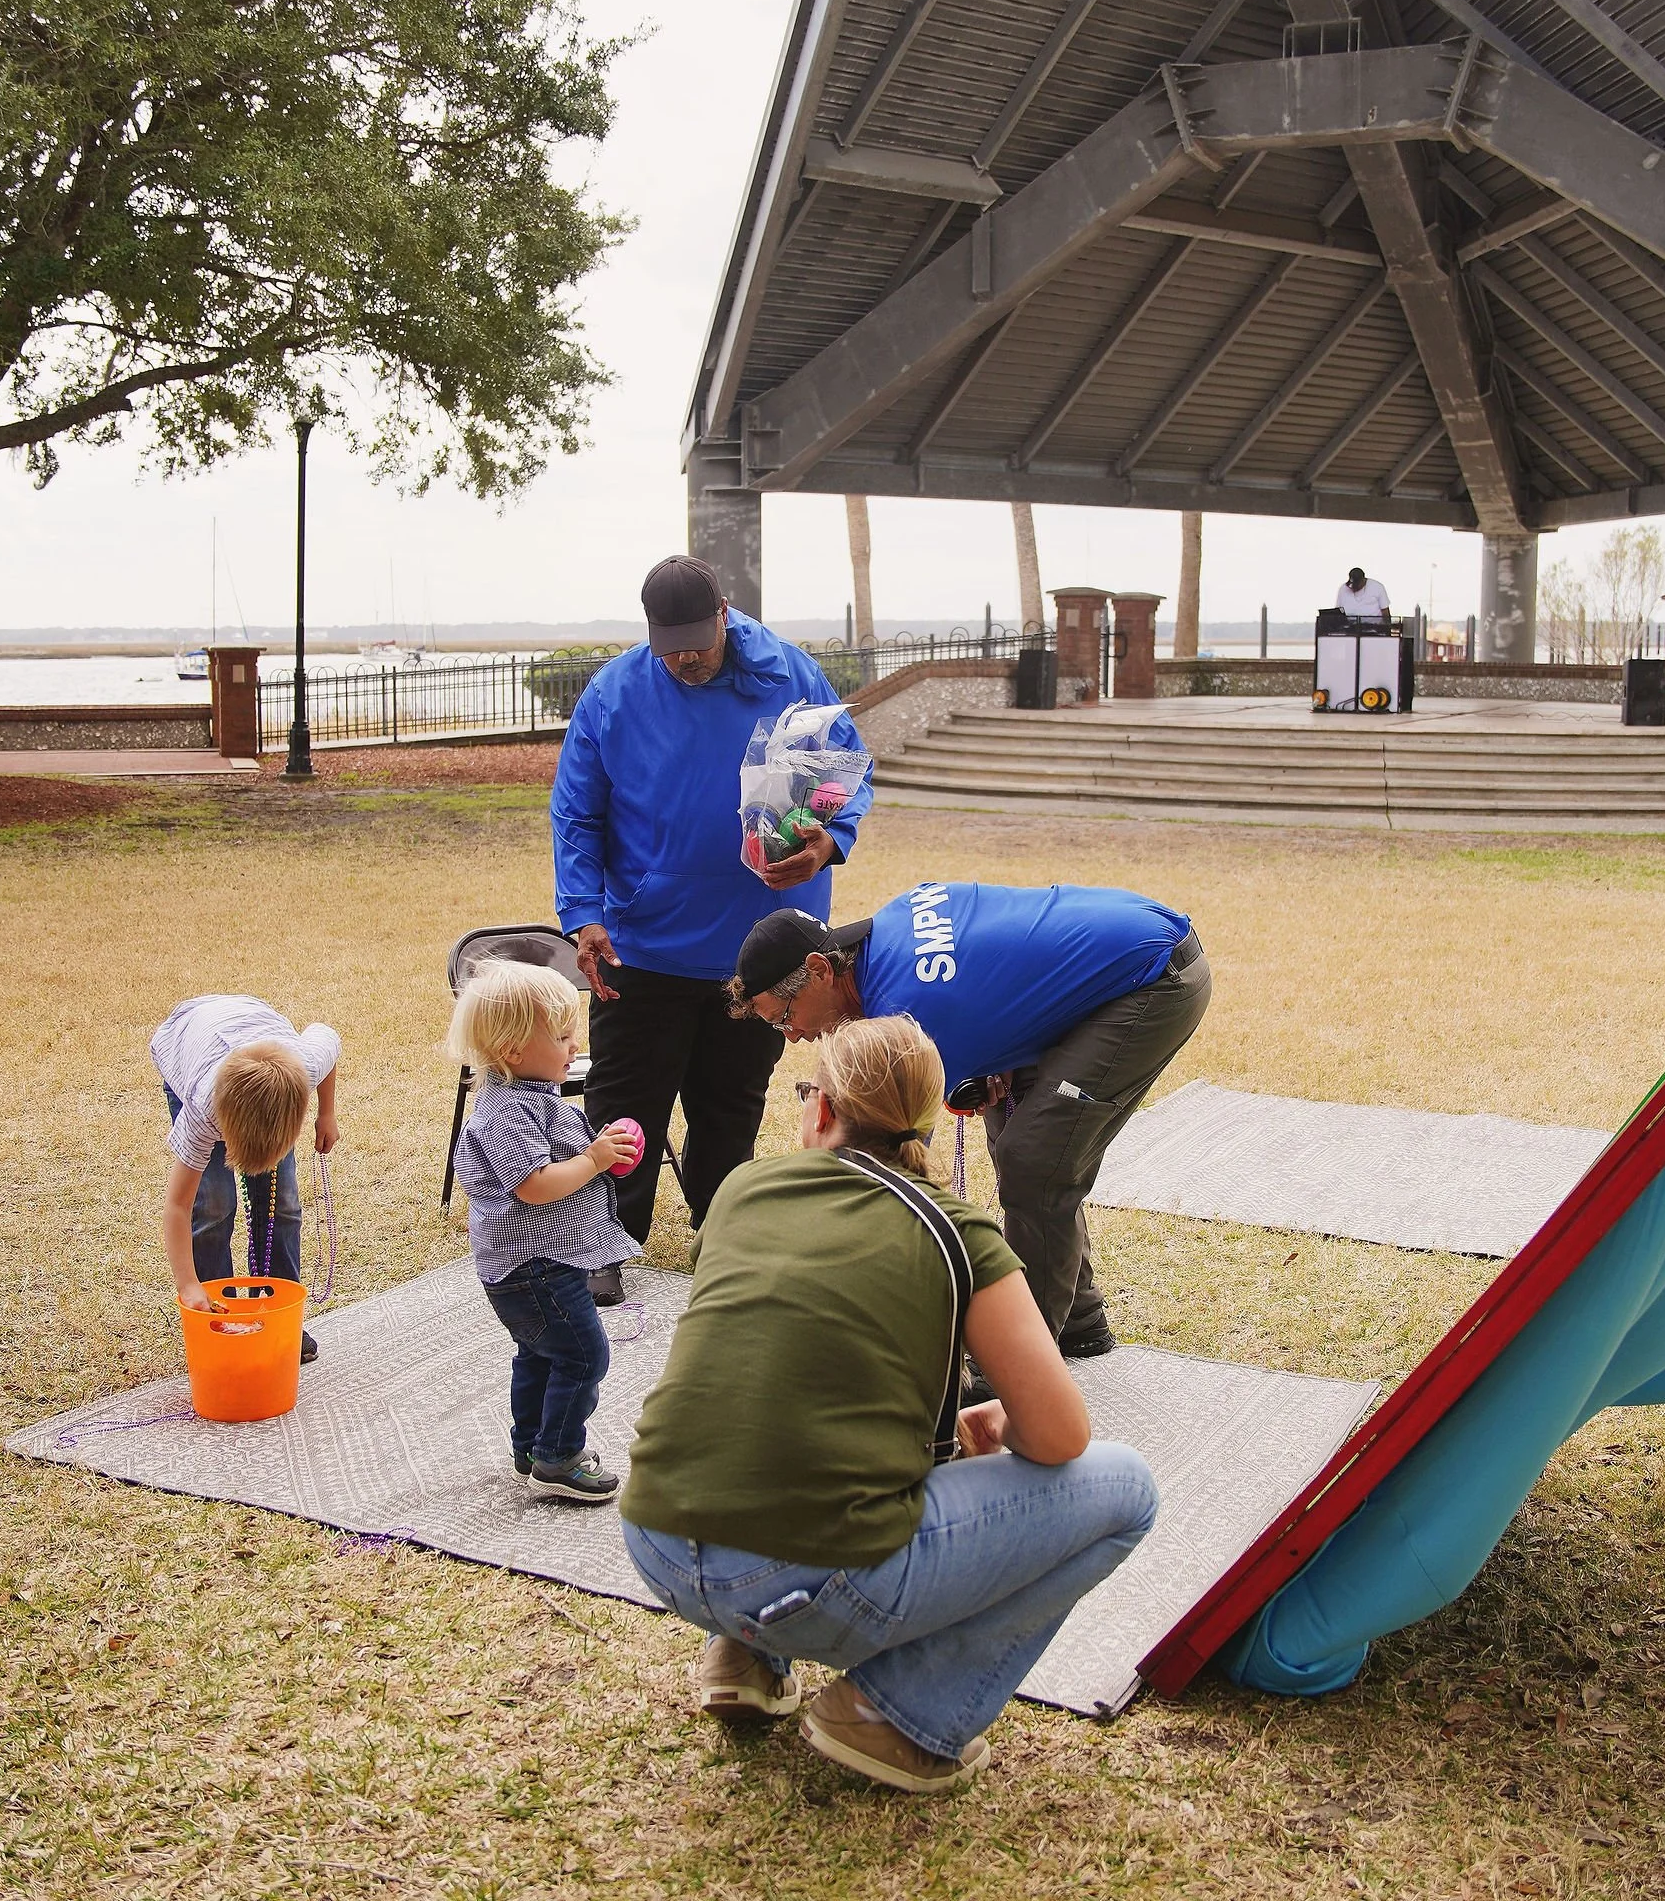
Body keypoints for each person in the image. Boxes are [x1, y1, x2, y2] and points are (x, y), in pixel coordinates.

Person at [620, 1014, 1157, 1796]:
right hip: (809, 1579)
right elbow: (1061, 1436)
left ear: (824, 1109)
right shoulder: (958, 1231)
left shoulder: (742, 1189)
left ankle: (740, 1655)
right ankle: (894, 1715)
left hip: (659, 1543)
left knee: (767, 1419)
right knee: (1127, 1491)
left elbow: (761, 1362)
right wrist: (997, 1427)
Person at [549, 554, 874, 1305]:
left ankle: (724, 1231)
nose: (686, 658)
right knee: (626, 1100)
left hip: (761, 945)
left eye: (697, 640)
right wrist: (584, 915)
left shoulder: (789, 673)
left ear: (724, 613)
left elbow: (846, 768)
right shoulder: (615, 694)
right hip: (645, 941)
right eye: (671, 646)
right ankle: (605, 1237)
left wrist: (830, 841)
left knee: (732, 1104)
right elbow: (576, 812)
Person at [730, 885, 1211, 1359]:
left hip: (1152, 977)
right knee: (1015, 1119)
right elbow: (976, 971)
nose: (791, 1037)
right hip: (1118, 949)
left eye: (784, 1017)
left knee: (1034, 1157)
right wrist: (992, 1042)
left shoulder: (908, 1008)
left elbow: (889, 1162)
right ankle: (1079, 1319)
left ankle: (1014, 1365)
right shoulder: (887, 936)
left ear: (819, 970)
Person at [448, 959, 642, 1503]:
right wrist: (596, 1161)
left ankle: (530, 1445)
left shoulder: (534, 1098)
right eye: (560, 1036)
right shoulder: (504, 1113)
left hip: (541, 1262)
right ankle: (558, 1455)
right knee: (584, 1356)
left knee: (541, 1353)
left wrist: (594, 1149)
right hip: (530, 1268)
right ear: (512, 1051)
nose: (572, 1046)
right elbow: (533, 1185)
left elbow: (556, 1161)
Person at [152, 993, 339, 1362]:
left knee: (282, 1201)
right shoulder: (202, 1111)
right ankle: (217, 1317)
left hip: (254, 1028)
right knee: (214, 1206)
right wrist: (187, 1285)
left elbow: (327, 1034)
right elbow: (177, 1205)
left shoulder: (304, 1068)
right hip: (188, 1042)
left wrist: (326, 1113)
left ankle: (277, 1314)